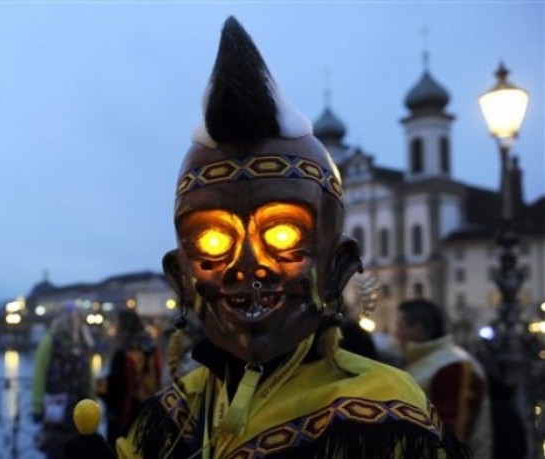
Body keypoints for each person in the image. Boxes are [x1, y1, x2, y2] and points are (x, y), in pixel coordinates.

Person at [64, 16, 469, 458]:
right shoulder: (175, 412)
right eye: (213, 240)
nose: (247, 264)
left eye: (283, 234)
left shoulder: (385, 418)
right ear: (182, 280)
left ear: (338, 269)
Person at [395, 298, 492, 458]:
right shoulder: (425, 362)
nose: (396, 333)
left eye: (399, 326)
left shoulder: (454, 366)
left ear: (416, 329)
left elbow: (453, 439)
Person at [31, 305, 94, 459]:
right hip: (64, 406)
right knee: (60, 448)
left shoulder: (79, 341)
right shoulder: (80, 341)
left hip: (66, 405)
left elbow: (39, 373)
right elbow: (39, 374)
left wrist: (37, 406)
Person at [101, 310, 163, 448]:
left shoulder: (122, 353)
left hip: (126, 414)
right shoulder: (153, 349)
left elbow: (116, 389)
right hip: (150, 411)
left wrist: (101, 390)